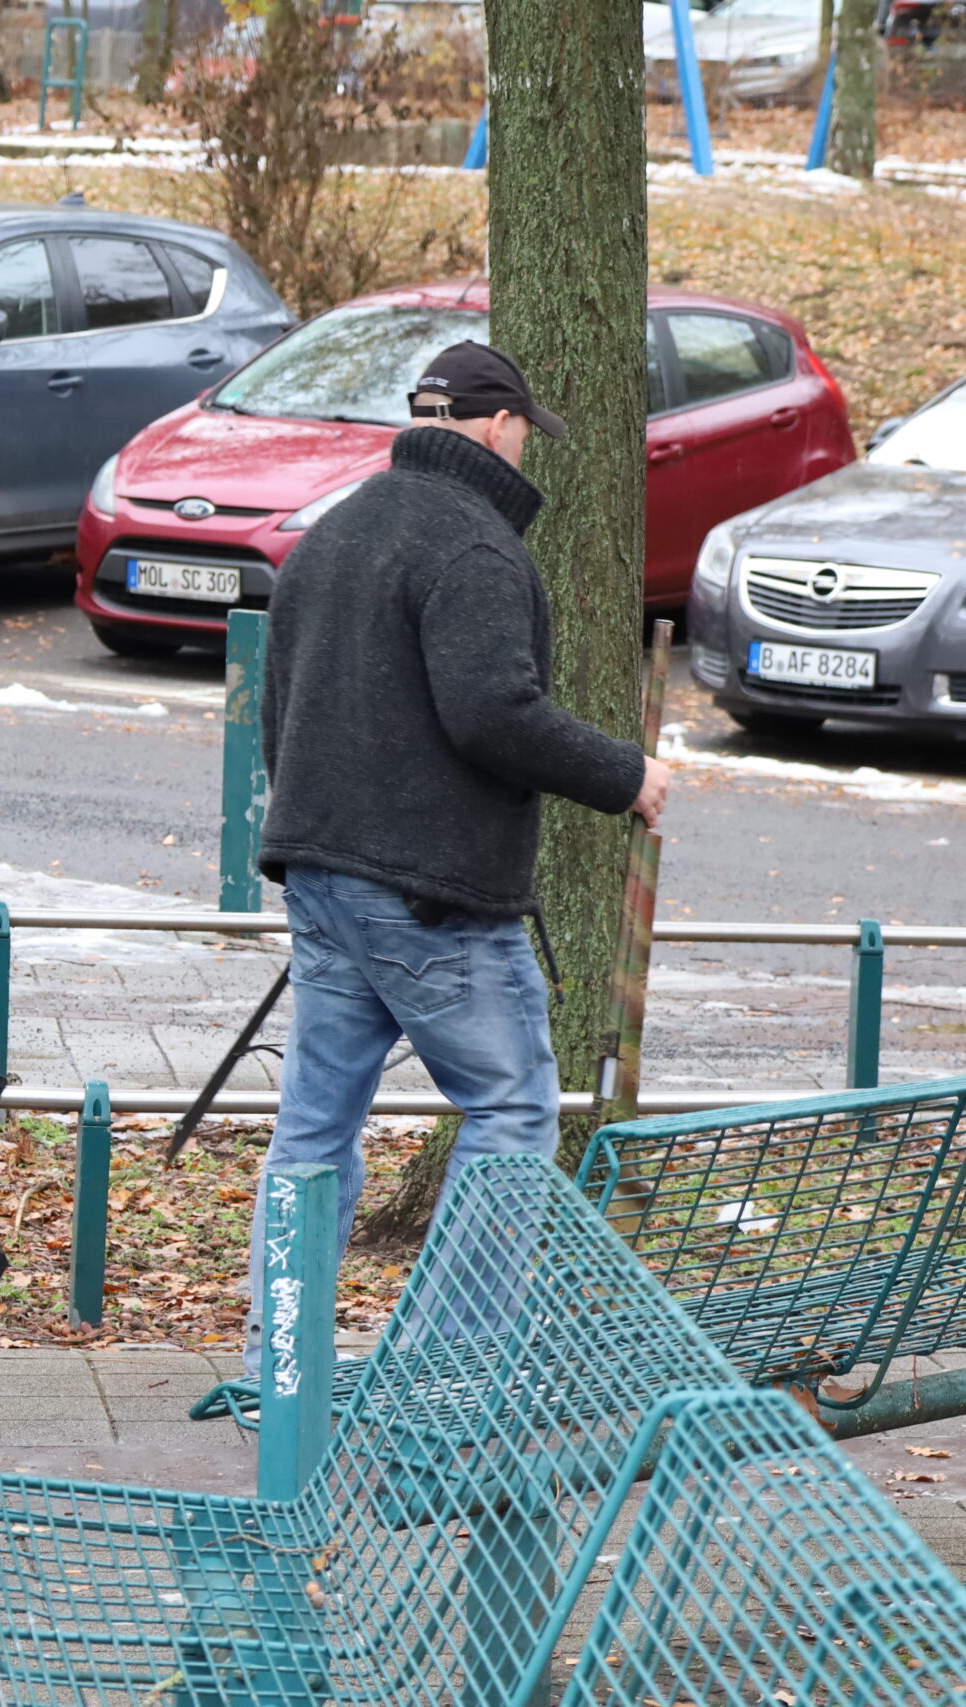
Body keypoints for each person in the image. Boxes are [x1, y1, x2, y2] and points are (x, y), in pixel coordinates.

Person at [247, 339, 676, 1356]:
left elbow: (280, 707)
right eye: (525, 428)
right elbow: (492, 713)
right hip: (430, 893)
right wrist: (628, 775)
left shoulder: (334, 532)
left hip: (321, 874)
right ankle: (445, 1367)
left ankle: (282, 1361)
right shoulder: (475, 547)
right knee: (514, 1116)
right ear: (497, 424)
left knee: (313, 1128)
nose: (527, 447)